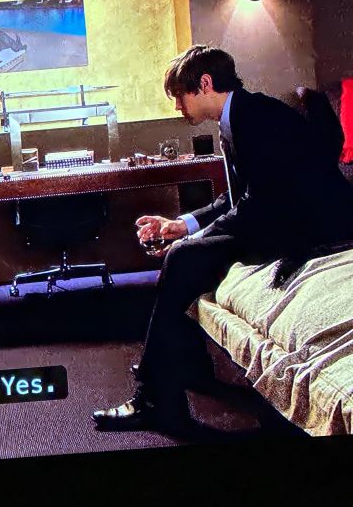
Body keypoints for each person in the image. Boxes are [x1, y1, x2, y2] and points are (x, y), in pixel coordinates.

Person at [93, 44, 353, 431]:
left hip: (314, 228)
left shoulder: (258, 118)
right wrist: (183, 225)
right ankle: (183, 364)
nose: (177, 106)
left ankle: (156, 397)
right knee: (184, 254)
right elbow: (238, 198)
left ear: (205, 83)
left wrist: (194, 240)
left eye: (179, 95)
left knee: (183, 258)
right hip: (278, 218)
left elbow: (257, 203)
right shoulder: (239, 116)